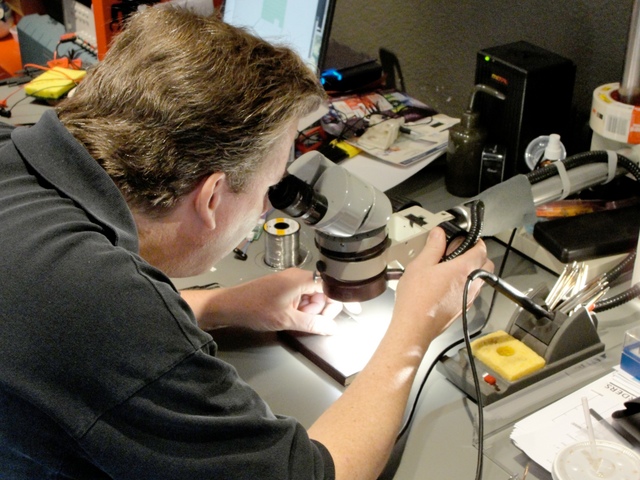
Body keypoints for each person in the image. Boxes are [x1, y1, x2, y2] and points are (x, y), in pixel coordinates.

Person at [0, 5, 492, 480]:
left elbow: (61, 336)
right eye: (266, 189)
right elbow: (316, 475)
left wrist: (218, 305)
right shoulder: (102, 304)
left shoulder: (18, 166)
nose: (264, 211)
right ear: (212, 196)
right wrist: (413, 331)